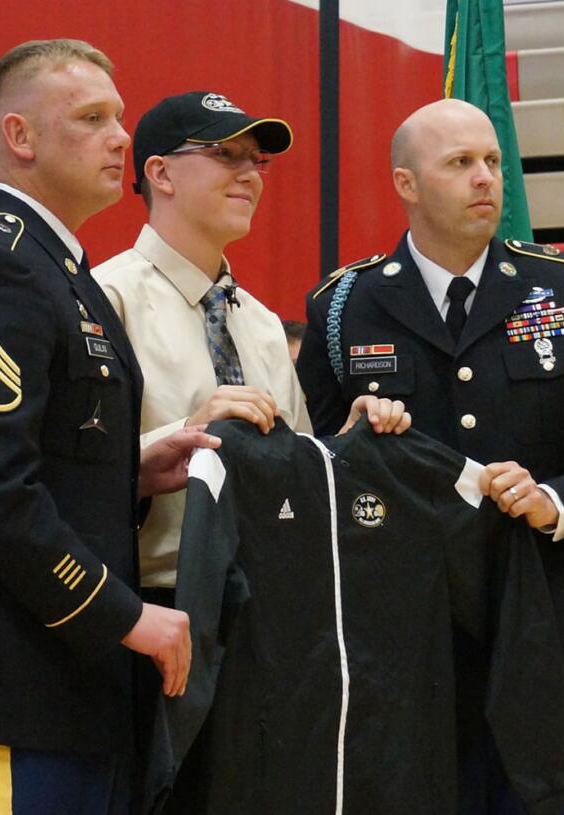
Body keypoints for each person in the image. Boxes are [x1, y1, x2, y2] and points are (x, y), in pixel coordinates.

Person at [0, 39, 217, 815]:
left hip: (60, 696)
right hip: (2, 696)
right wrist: (123, 613)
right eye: (92, 118)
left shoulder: (58, 272)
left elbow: (38, 459)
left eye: (120, 118)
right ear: (20, 137)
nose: (121, 137)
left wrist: (131, 473)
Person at [296, 98, 564, 815]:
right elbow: (309, 472)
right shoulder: (344, 305)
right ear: (406, 184)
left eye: (491, 161)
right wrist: (352, 440)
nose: (486, 178)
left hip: (547, 633)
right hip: (405, 647)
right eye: (460, 163)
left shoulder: (562, 288)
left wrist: (556, 499)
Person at [93, 91, 408, 605]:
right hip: (148, 599)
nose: (250, 175)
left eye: (256, 160)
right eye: (224, 154)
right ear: (161, 173)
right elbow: (68, 475)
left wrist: (346, 447)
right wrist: (187, 433)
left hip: (269, 602)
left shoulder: (262, 324)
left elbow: (297, 483)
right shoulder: (103, 301)